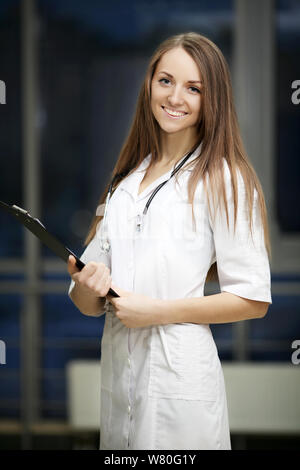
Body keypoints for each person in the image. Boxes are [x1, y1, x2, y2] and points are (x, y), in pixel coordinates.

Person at [67, 32, 272, 450]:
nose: (175, 97)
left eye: (193, 88)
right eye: (166, 81)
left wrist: (156, 312)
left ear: (211, 99)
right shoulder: (124, 184)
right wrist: (89, 285)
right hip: (121, 387)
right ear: (149, 85)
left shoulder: (226, 179)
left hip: (182, 393)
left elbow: (253, 298)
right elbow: (86, 303)